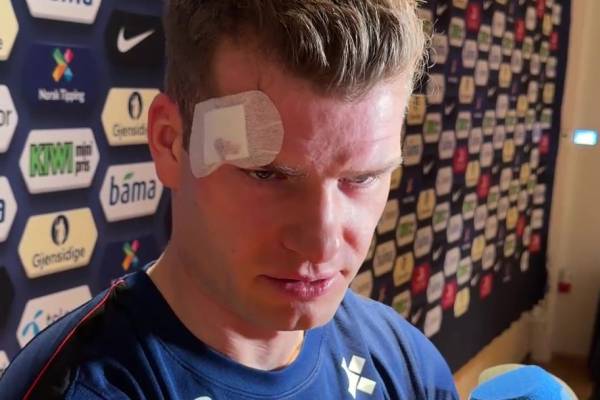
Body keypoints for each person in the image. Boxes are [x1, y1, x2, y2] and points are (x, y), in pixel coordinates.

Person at [0, 1, 459, 399]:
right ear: (170, 143)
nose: (321, 244)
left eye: (362, 178)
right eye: (266, 174)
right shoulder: (88, 388)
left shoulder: (404, 364)